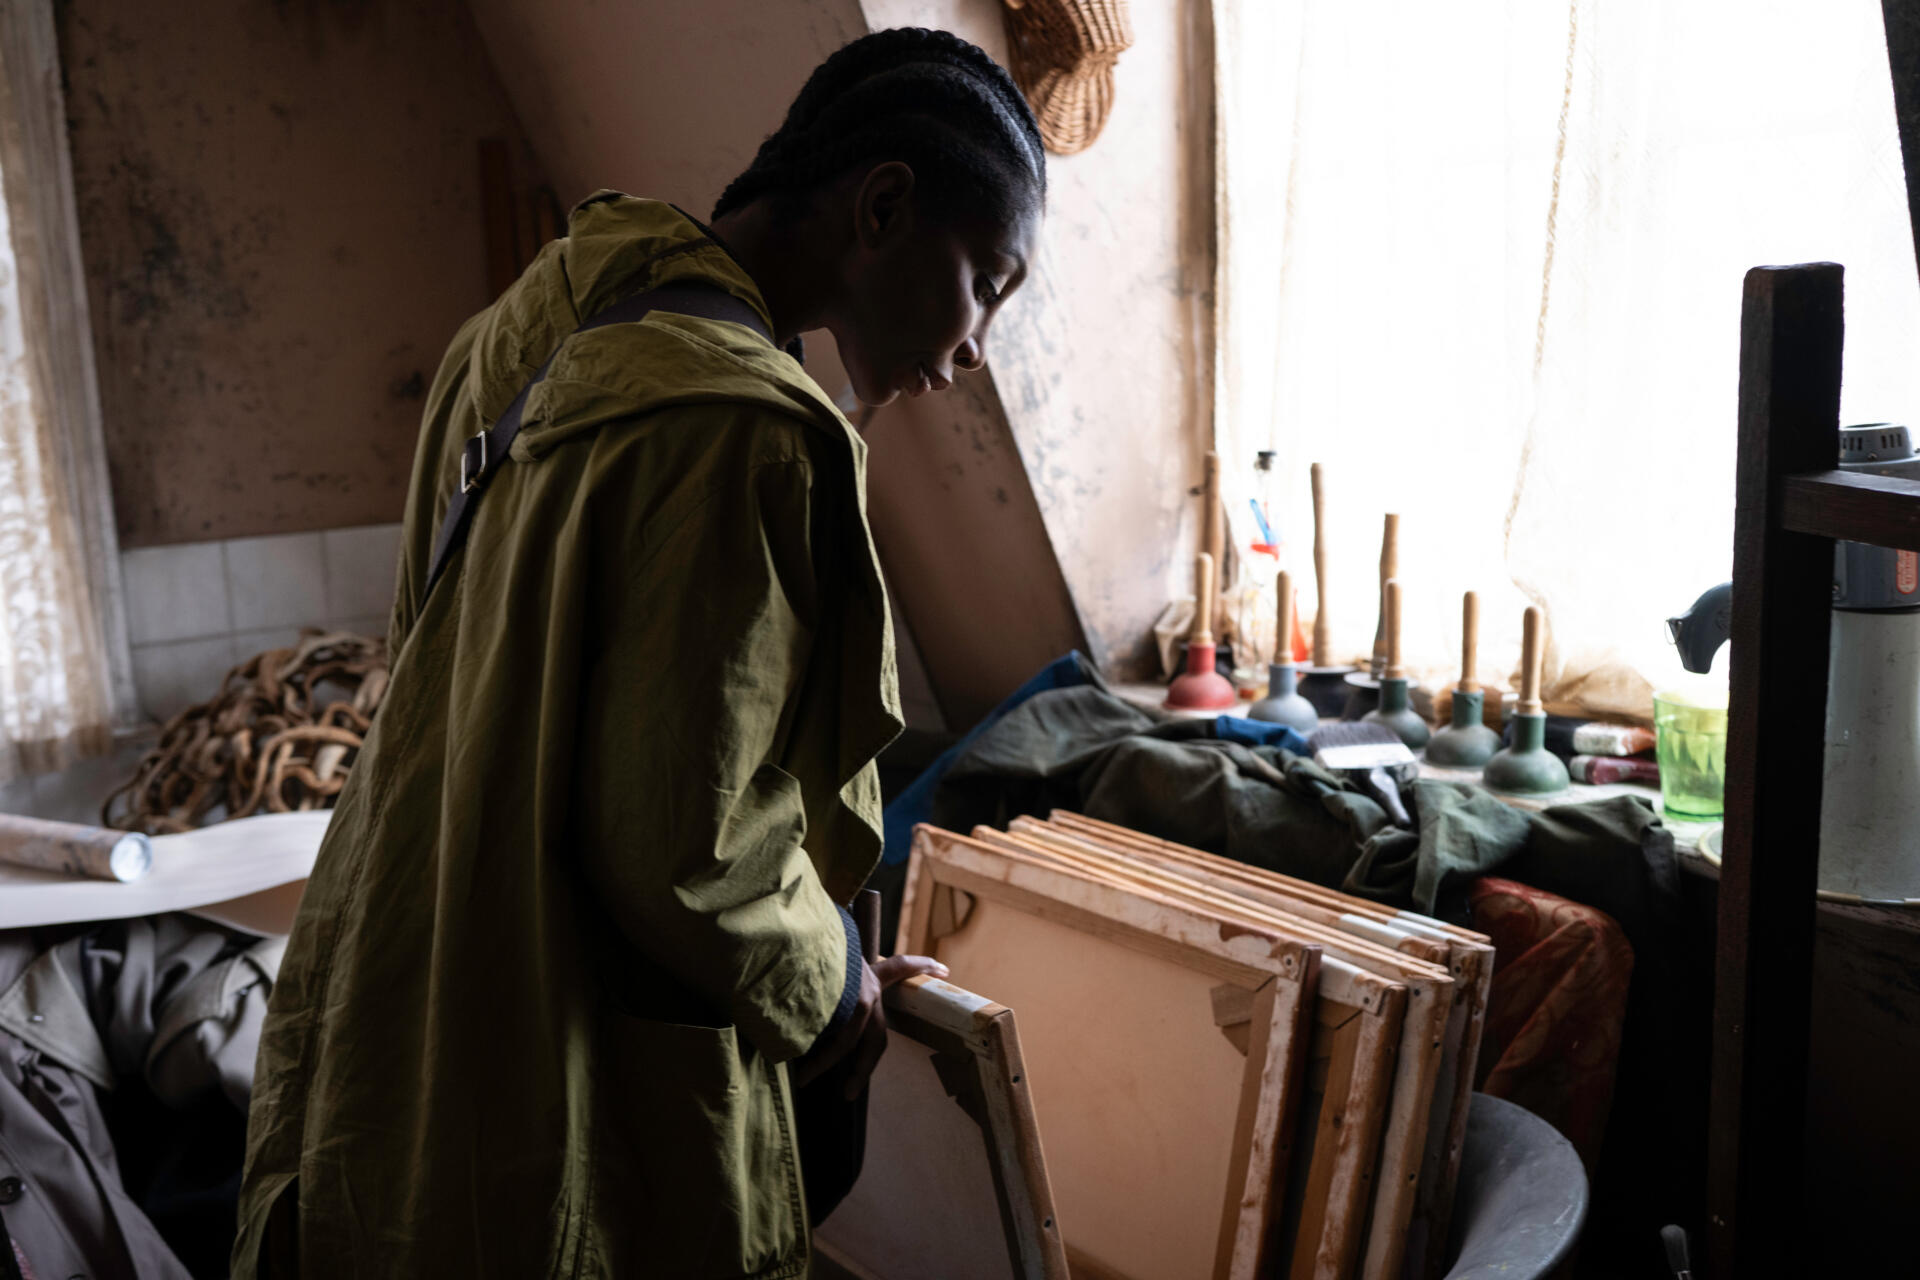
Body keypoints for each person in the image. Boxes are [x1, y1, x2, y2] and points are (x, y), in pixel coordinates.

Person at [229, 26, 1046, 1280]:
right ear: (883, 206)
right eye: (989, 279)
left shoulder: (511, 334)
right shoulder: (748, 431)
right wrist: (834, 985)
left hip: (394, 981)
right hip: (550, 1076)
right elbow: (691, 849)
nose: (979, 340)